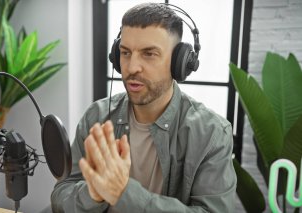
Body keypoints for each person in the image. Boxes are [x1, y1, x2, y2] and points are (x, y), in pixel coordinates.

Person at [51, 3, 237, 212]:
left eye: (149, 54)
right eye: (125, 53)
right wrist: (93, 193)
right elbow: (61, 194)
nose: (131, 67)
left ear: (179, 63)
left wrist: (124, 193)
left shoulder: (212, 133)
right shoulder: (97, 116)